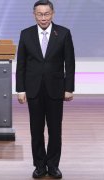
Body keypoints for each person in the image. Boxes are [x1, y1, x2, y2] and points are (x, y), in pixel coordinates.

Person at [16, 0, 75, 179]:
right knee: (36, 129)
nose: (43, 18)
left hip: (56, 89)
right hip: (33, 90)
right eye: (40, 14)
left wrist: (69, 88)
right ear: (34, 14)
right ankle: (40, 165)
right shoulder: (26, 34)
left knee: (55, 129)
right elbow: (21, 65)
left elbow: (70, 63)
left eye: (46, 14)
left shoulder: (63, 33)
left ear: (53, 14)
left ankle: (53, 165)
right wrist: (20, 89)